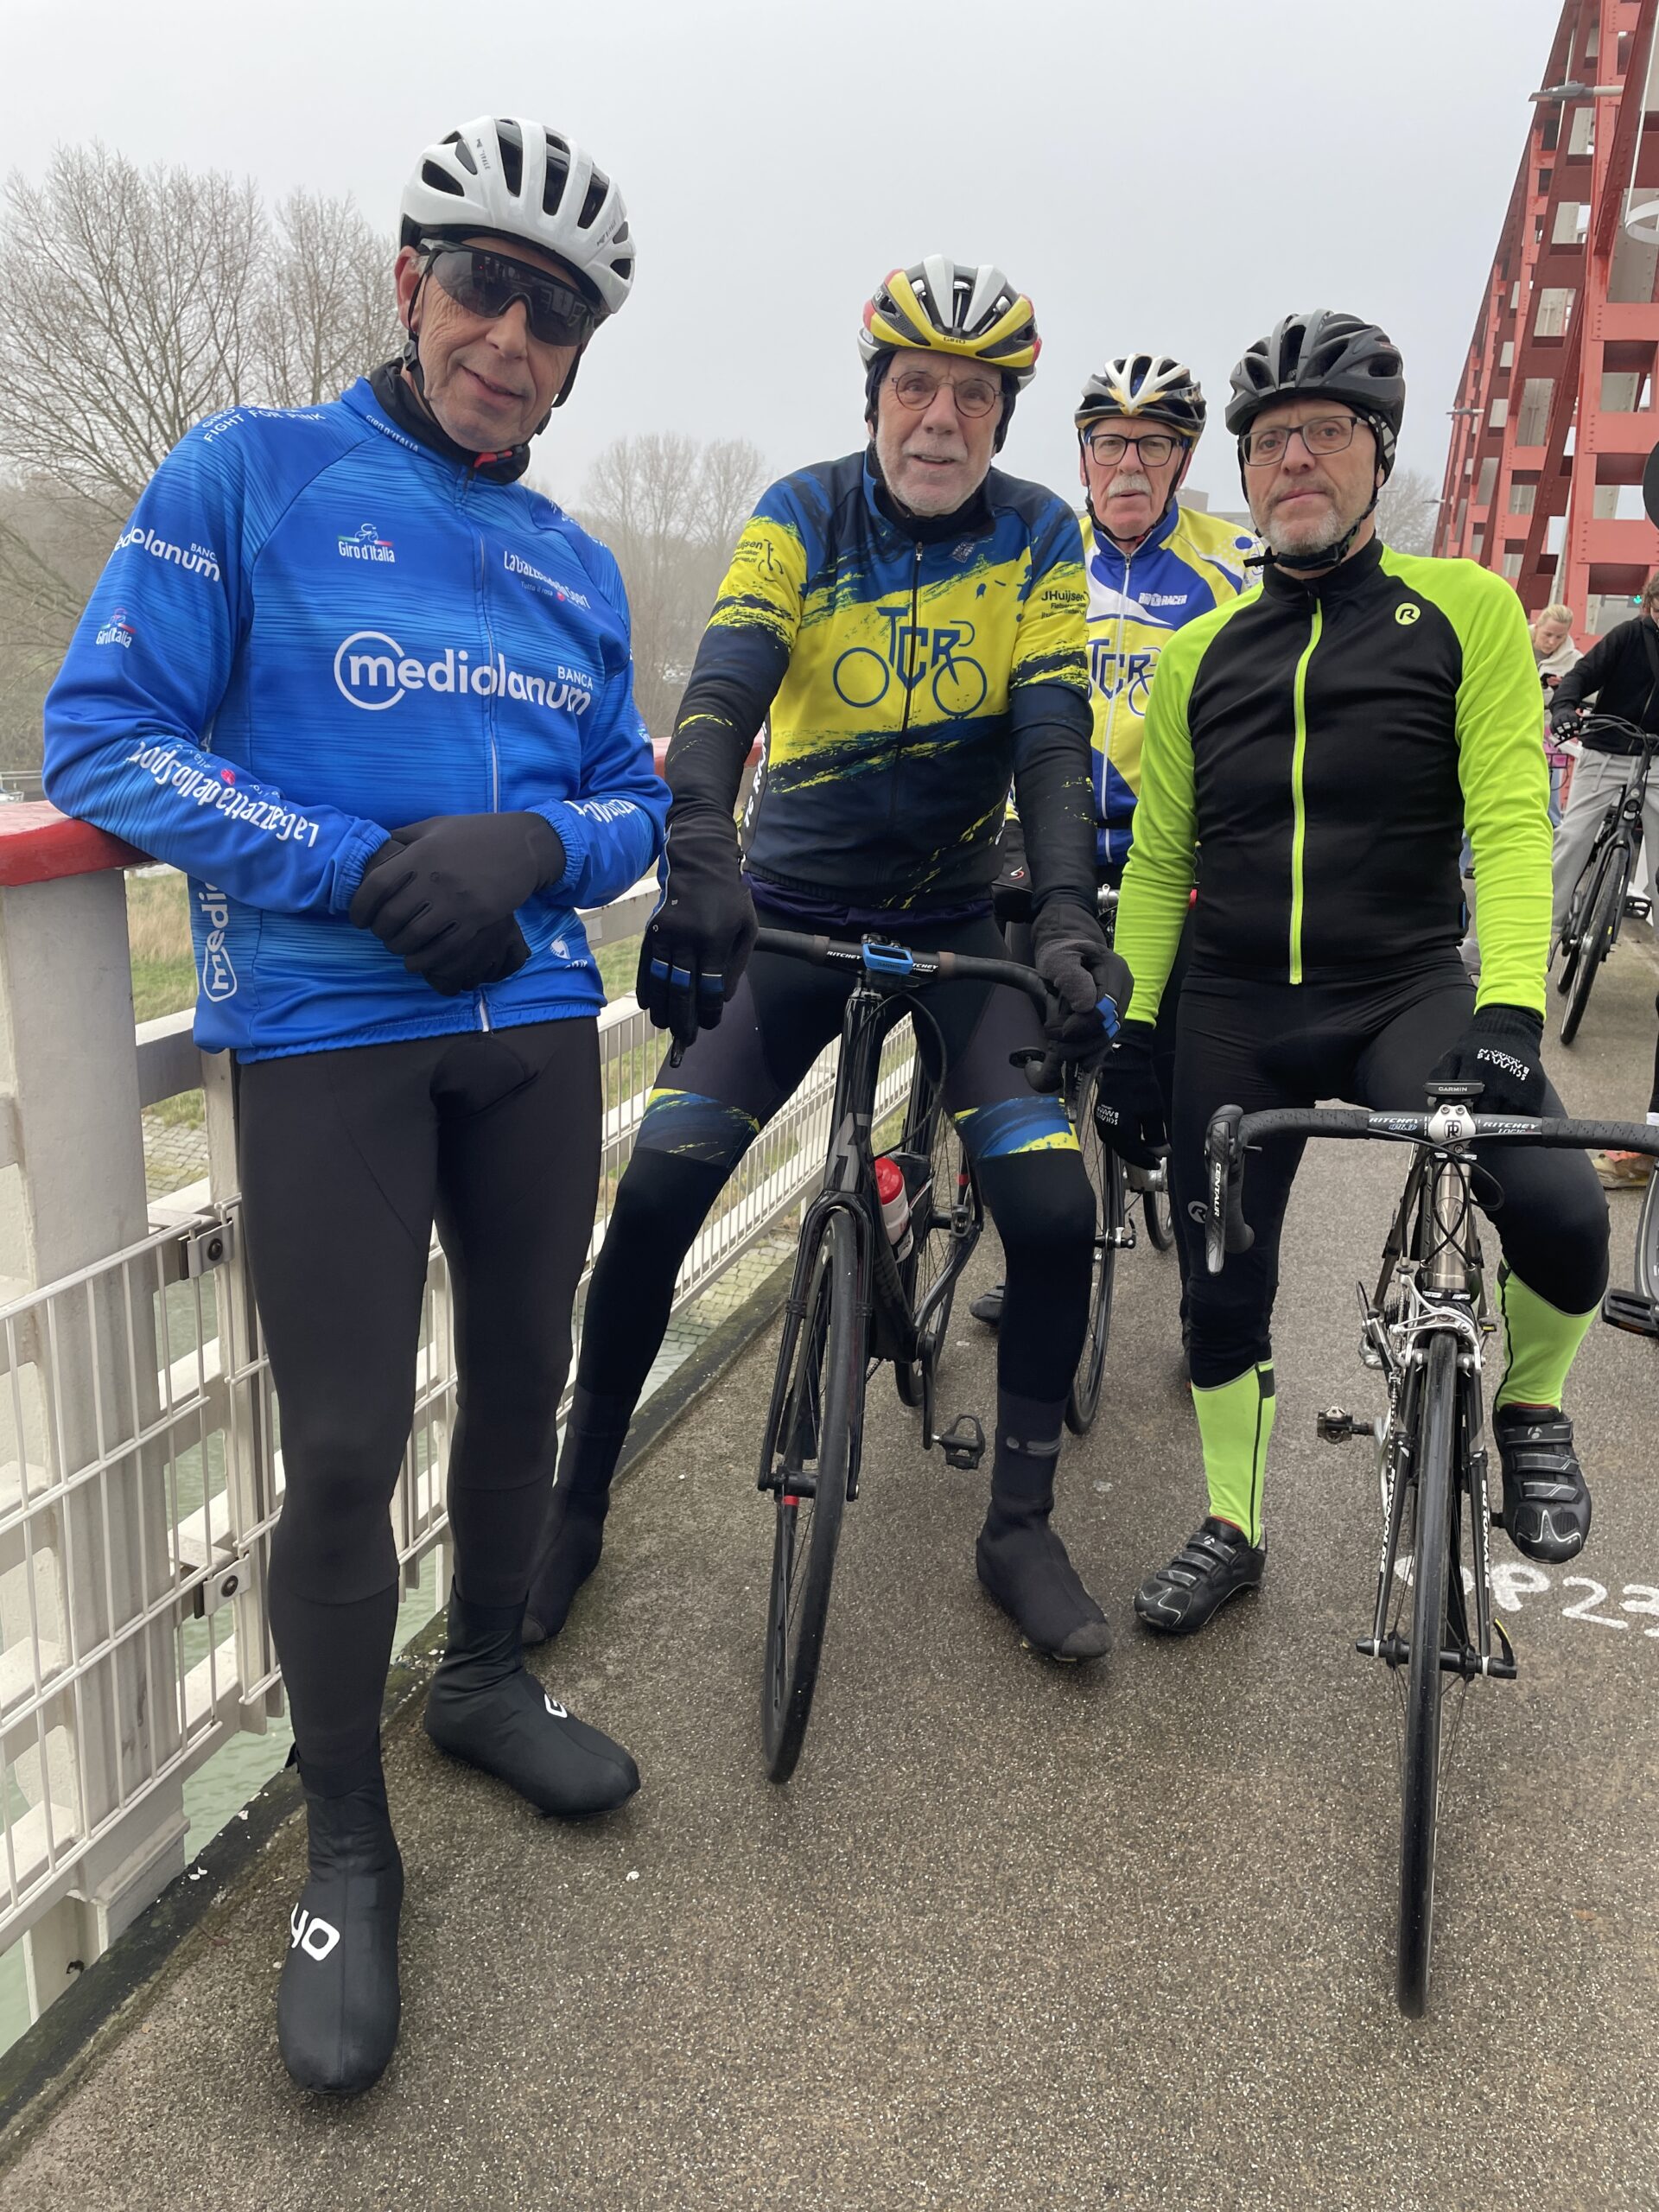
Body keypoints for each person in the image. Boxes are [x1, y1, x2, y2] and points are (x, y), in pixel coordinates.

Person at [42, 116, 668, 2095]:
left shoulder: (574, 560)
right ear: (411, 283)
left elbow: (633, 797)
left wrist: (537, 847)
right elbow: (102, 734)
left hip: (535, 1021)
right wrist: (351, 862)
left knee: (524, 1377)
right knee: (334, 1449)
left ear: (577, 358)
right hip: (327, 1027)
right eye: (484, 286)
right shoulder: (250, 470)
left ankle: (481, 1672)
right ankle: (345, 1847)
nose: (510, 336)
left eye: (555, 317)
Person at [527, 257, 1125, 1666]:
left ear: (1002, 417)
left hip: (956, 928)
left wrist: (1066, 918)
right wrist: (701, 853)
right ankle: (574, 1505)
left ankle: (1019, 1529)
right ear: (875, 397)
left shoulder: (1040, 535)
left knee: (1052, 1217)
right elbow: (723, 694)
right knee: (655, 1199)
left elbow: (1053, 741)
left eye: (972, 396)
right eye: (915, 386)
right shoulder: (801, 512)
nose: (940, 419)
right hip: (788, 916)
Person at [1095, 308, 1609, 1636]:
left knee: (1561, 1206)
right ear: (1245, 471)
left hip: (1403, 987)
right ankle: (1232, 1525)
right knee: (1220, 1287)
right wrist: (1137, 1034)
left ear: (1379, 455)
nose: (1295, 460)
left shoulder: (1466, 611)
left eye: (1326, 432)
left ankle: (1532, 1406)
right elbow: (1159, 864)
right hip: (1235, 1001)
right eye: (1271, 441)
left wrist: (1511, 1009)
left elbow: (1512, 821)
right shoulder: (1203, 657)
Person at [971, 355, 1256, 1328]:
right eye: (1109, 443)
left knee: (1187, 1079)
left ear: (1183, 460)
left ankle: (1207, 1294)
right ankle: (1036, 1254)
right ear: (1083, 453)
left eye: (1153, 445)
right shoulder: (1046, 555)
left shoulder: (1232, 564)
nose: (1128, 464)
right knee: (1027, 1055)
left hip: (1171, 846)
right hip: (1048, 834)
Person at [1548, 574, 1659, 944]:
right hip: (1606, 750)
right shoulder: (1628, 635)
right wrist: (1564, 708)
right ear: (1649, 604)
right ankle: (1542, 931)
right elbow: (1581, 675)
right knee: (1573, 837)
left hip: (1657, 763)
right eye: (1658, 611)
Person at [1532, 602, 1581, 824]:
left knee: (1550, 788)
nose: (1552, 642)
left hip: (1548, 733)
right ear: (1537, 627)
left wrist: (1564, 690)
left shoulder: (1574, 660)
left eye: (1559, 637)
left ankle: (1552, 831)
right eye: (1548, 634)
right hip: (1510, 726)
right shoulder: (1513, 644)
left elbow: (1590, 693)